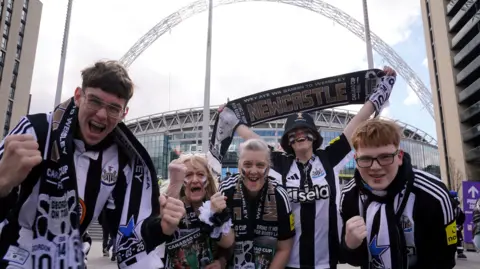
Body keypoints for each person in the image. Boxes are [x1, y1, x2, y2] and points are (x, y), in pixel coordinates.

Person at [0, 60, 185, 268]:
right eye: (95, 101)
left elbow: (125, 232)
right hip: (14, 253)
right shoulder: (36, 130)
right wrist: (2, 182)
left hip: (71, 259)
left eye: (114, 108)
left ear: (124, 113)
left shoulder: (124, 160)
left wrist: (160, 228)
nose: (101, 115)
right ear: (79, 96)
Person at [230, 66, 397, 268]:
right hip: (289, 262)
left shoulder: (329, 157)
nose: (299, 135)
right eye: (294, 132)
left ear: (314, 136)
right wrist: (231, 120)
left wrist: (382, 89)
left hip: (327, 262)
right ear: (287, 141)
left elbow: (357, 122)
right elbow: (254, 141)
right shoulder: (282, 163)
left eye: (305, 130)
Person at [340, 119, 457, 269]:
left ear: (399, 157)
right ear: (356, 160)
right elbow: (352, 259)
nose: (375, 167)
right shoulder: (349, 196)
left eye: (385, 157)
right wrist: (350, 245)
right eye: (366, 159)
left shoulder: (434, 195)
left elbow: (444, 260)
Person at [219, 139, 295, 268]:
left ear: (268, 167)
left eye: (260, 165)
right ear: (239, 166)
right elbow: (219, 242)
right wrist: (221, 260)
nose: (253, 171)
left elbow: (285, 248)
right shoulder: (226, 191)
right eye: (247, 165)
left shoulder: (280, 195)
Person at [161, 154, 235, 268]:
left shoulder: (216, 204)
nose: (195, 180)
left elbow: (229, 243)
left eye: (200, 175)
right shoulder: (170, 202)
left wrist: (221, 262)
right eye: (188, 175)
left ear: (208, 181)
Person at [449, 190, 467, 259]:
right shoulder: (450, 207)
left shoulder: (458, 209)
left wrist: (459, 225)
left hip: (456, 227)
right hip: (450, 227)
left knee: (459, 239)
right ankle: (452, 253)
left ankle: (460, 253)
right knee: (451, 240)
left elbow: (462, 217)